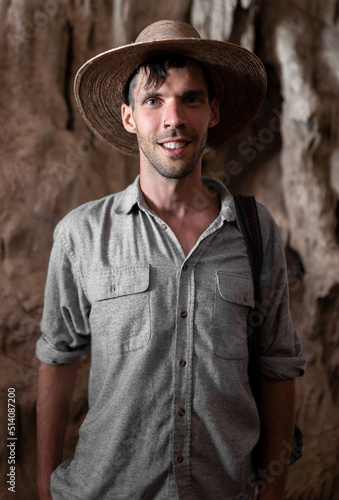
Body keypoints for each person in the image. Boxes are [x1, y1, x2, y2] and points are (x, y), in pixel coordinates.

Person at [36, 19, 306, 500]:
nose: (174, 118)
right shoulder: (81, 234)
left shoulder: (255, 231)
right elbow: (57, 358)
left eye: (192, 98)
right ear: (128, 117)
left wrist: (274, 488)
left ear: (213, 112)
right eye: (154, 100)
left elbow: (278, 367)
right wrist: (38, 484)